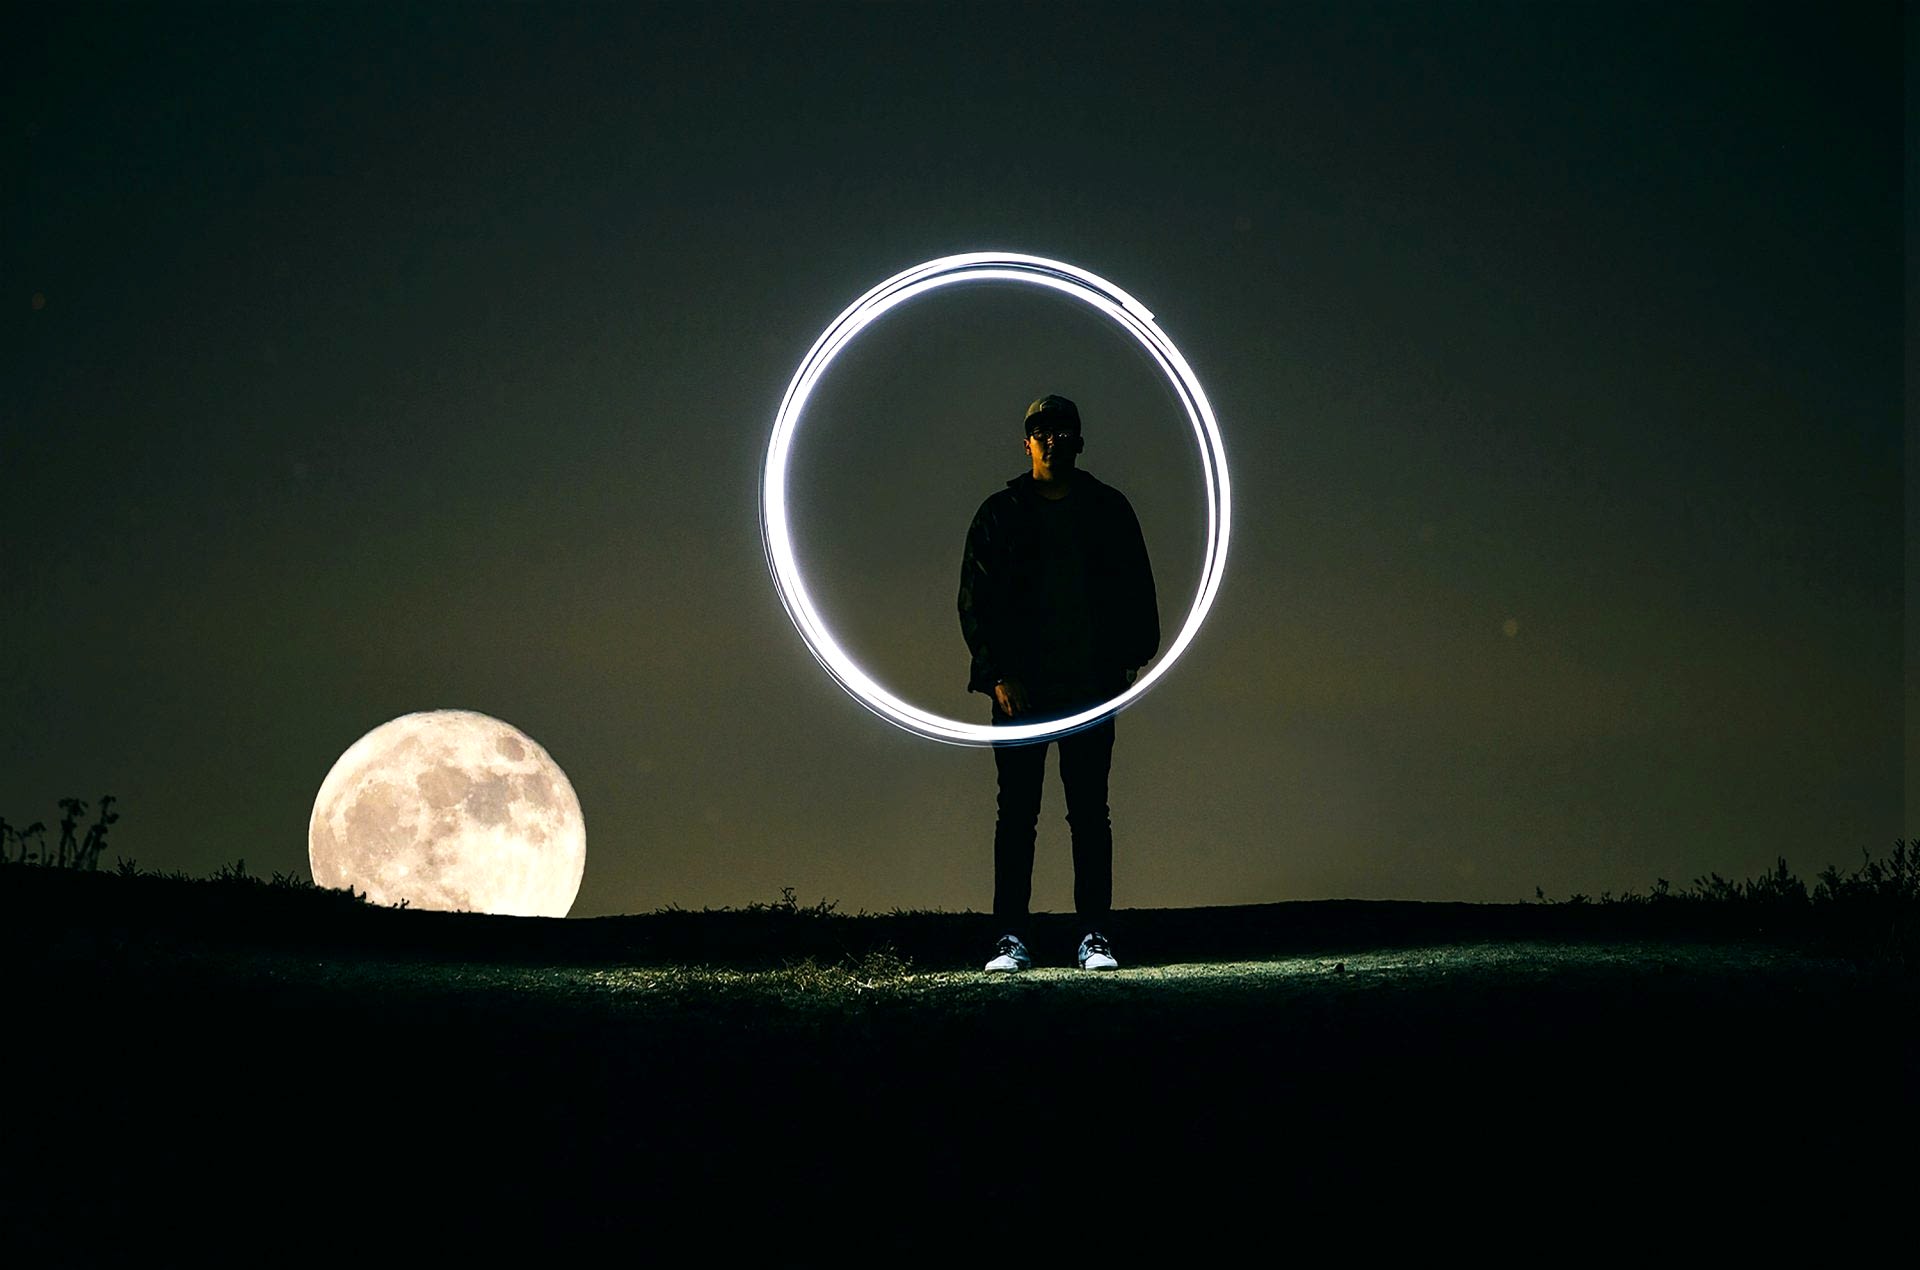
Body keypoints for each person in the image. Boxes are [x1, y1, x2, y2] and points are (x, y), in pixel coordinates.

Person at [956, 394, 1159, 972]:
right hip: (1021, 691)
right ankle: (1010, 939)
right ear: (1027, 443)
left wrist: (1128, 662)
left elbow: (1136, 588)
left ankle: (1095, 936)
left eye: (1062, 430)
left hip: (1090, 684)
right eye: (1041, 431)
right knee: (1017, 813)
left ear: (1078, 440)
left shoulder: (1108, 509)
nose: (1052, 439)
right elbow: (976, 599)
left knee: (1089, 811)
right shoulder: (1000, 513)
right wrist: (996, 674)